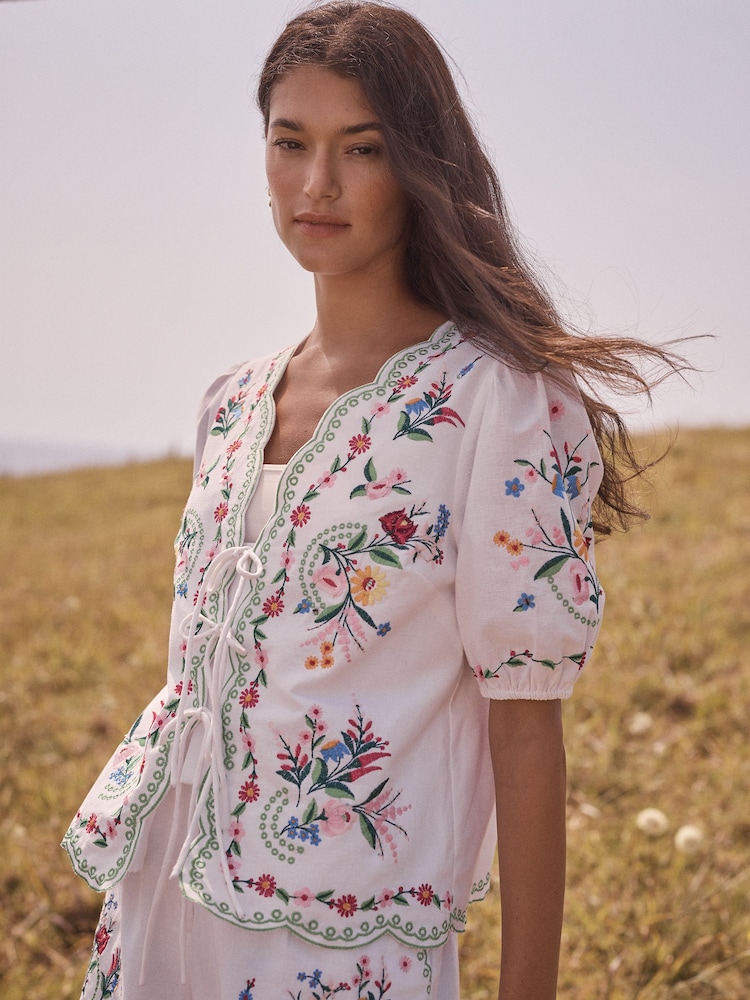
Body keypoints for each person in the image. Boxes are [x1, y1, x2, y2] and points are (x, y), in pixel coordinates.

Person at [63, 3, 684, 998]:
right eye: (290, 143)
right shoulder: (229, 403)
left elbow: (525, 726)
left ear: (420, 166)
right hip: (156, 912)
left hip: (339, 943)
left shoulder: (501, 404)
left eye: (362, 148)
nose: (318, 184)